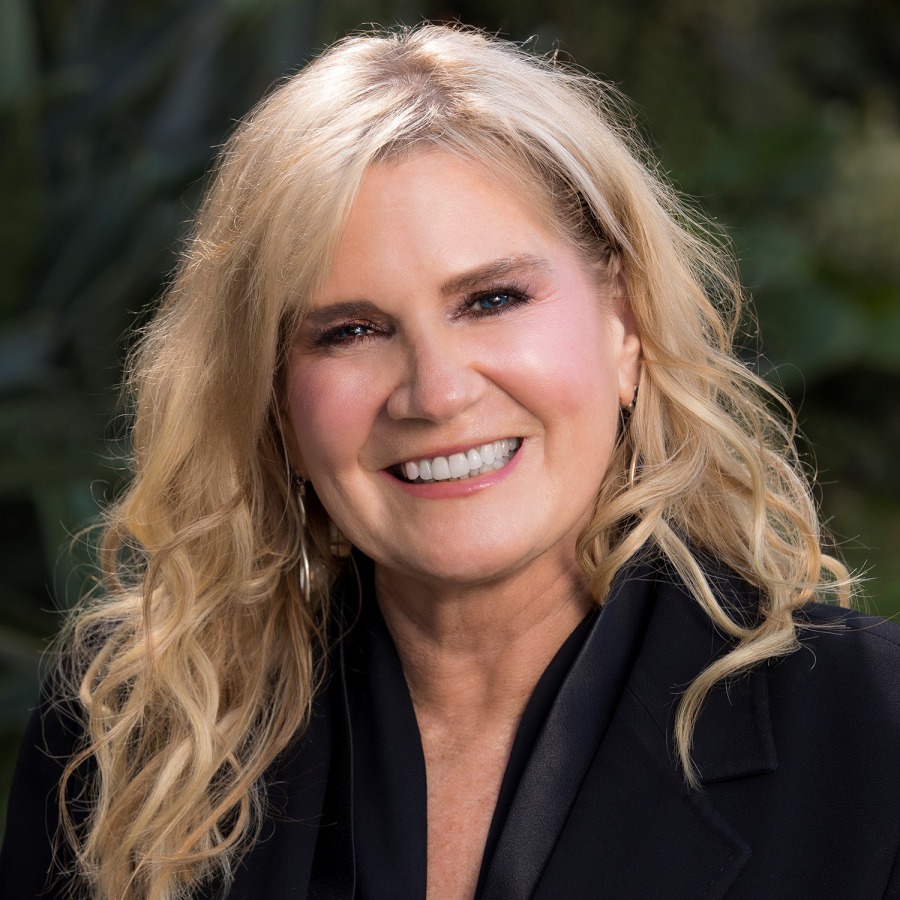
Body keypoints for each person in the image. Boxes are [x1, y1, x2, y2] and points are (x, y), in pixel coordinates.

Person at [3, 22, 900, 900]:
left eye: (492, 299)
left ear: (623, 326)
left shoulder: (875, 730)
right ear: (274, 401)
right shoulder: (124, 739)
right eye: (350, 331)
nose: (434, 393)